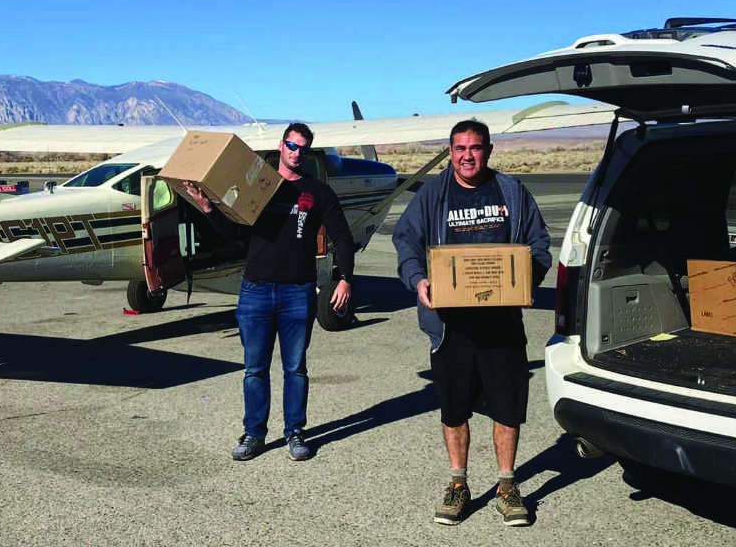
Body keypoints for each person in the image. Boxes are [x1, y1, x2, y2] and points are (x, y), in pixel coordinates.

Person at [392, 120, 551, 526]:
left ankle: (507, 485)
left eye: (475, 148)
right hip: (450, 324)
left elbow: (539, 245)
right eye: (460, 148)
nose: (467, 155)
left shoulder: (512, 193)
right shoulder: (432, 194)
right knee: (454, 408)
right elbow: (406, 240)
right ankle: (458, 484)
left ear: (489, 150)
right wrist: (418, 279)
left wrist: (524, 277)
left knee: (507, 406)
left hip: (501, 322)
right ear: (450, 151)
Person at [184, 123, 354, 462]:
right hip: (256, 290)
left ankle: (295, 432)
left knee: (295, 368)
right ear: (281, 146)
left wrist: (346, 278)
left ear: (307, 153)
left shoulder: (318, 192)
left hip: (298, 291)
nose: (297, 153)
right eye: (292, 145)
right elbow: (236, 235)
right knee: (254, 369)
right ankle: (254, 434)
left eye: (303, 149)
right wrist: (207, 208)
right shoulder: (260, 188)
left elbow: (343, 236)